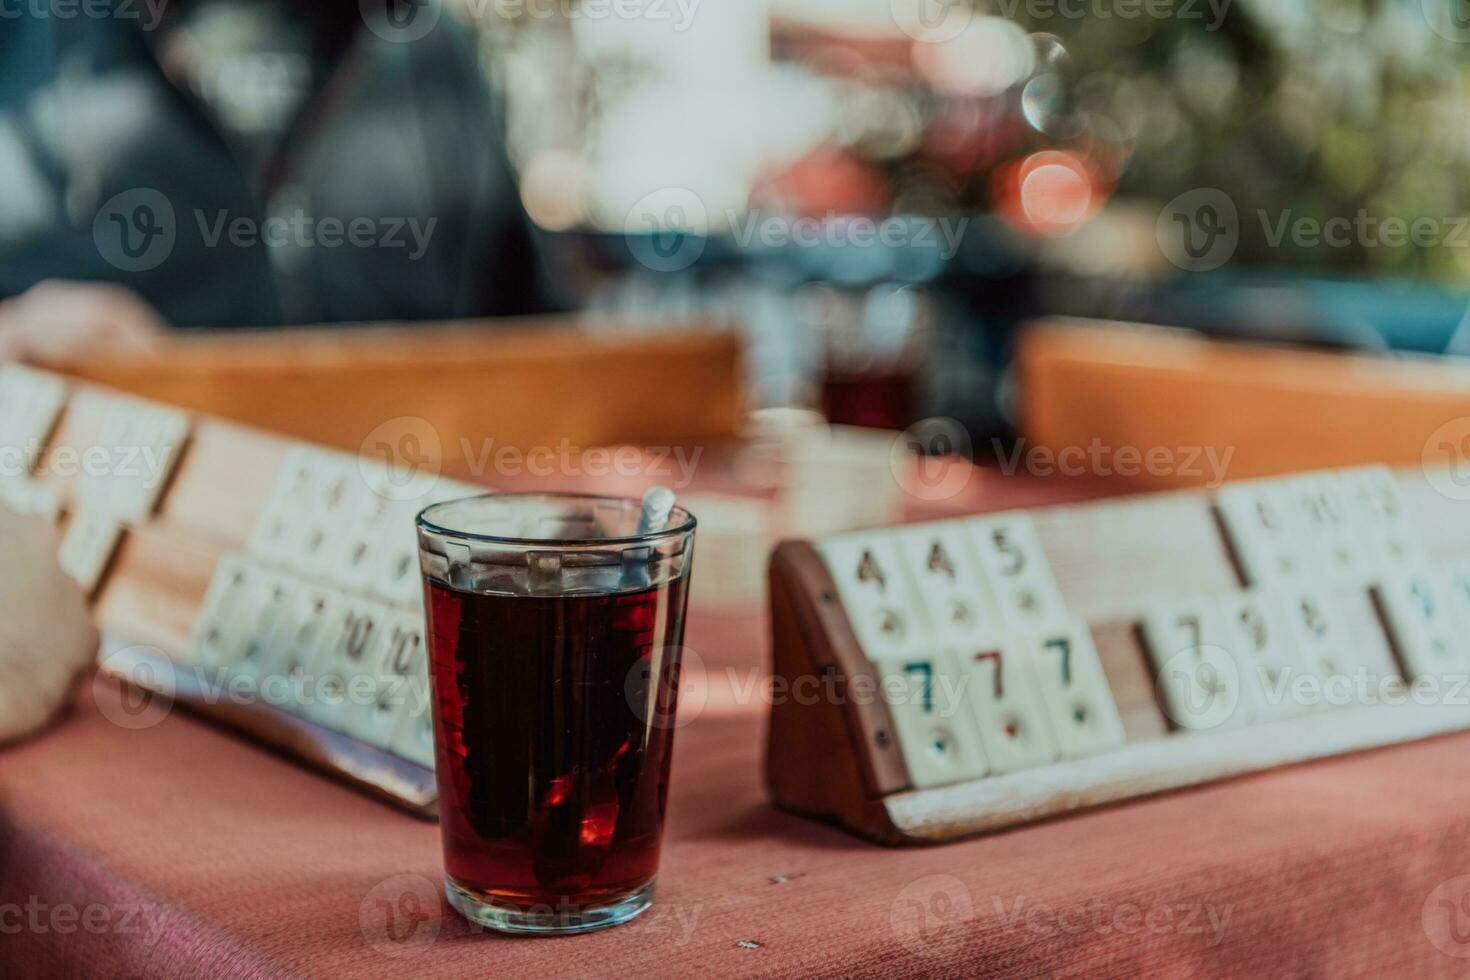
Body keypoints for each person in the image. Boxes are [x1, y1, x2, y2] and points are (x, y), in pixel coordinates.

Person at [0, 1, 559, 362]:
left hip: (386, 516)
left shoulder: (427, 48)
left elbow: (533, 333)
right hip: (110, 516)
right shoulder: (27, 41)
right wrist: (18, 328)